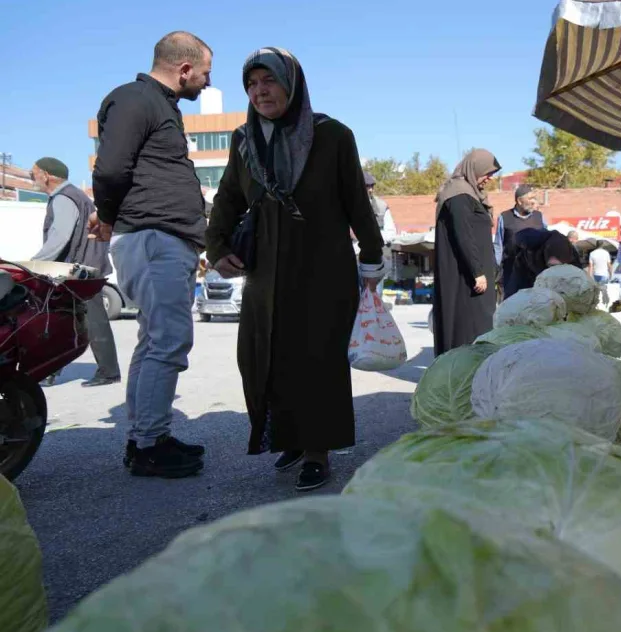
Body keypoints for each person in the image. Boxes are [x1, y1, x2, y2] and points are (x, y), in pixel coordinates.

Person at [206, 47, 385, 491]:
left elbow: (355, 202)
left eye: (269, 81)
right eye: (252, 84)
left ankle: (318, 450)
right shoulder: (244, 139)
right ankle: (288, 436)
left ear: (291, 83)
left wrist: (372, 254)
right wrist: (217, 247)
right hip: (266, 270)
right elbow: (228, 197)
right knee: (264, 356)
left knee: (316, 359)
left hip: (322, 268)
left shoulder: (332, 135)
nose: (260, 91)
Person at [91, 31, 211, 478]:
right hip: (153, 237)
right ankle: (149, 444)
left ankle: (145, 436)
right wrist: (106, 215)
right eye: (204, 72)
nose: (205, 81)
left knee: (154, 340)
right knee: (167, 342)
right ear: (184, 69)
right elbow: (110, 169)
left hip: (161, 238)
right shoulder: (137, 99)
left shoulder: (158, 105)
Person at [30, 157, 120, 388]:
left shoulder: (63, 198)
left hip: (79, 272)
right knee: (63, 320)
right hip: (83, 269)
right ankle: (50, 371)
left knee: (90, 320)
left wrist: (34, 264)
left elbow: (60, 236)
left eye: (34, 174)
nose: (33, 179)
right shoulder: (75, 196)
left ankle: (108, 372)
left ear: (46, 175)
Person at [433, 149, 500, 355]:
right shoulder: (459, 195)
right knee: (469, 328)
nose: (489, 178)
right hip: (466, 279)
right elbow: (463, 234)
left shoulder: (468, 193)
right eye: (487, 172)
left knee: (479, 326)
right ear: (475, 168)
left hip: (475, 276)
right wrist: (477, 271)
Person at [494, 185, 544, 291]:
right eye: (530, 198)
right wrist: (496, 271)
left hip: (536, 274)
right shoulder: (504, 217)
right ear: (519, 201)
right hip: (511, 274)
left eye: (534, 198)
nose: (534, 202)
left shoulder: (539, 216)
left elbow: (548, 243)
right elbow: (498, 246)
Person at [504, 229, 582, 297]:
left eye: (558, 266)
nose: (554, 269)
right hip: (526, 270)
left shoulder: (573, 262)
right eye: (551, 265)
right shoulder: (532, 242)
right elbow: (517, 238)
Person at [363, 172, 397, 244]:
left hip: (379, 247)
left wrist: (373, 237)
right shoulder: (347, 205)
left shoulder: (382, 206)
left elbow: (391, 232)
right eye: (367, 186)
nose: (370, 190)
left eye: (372, 186)